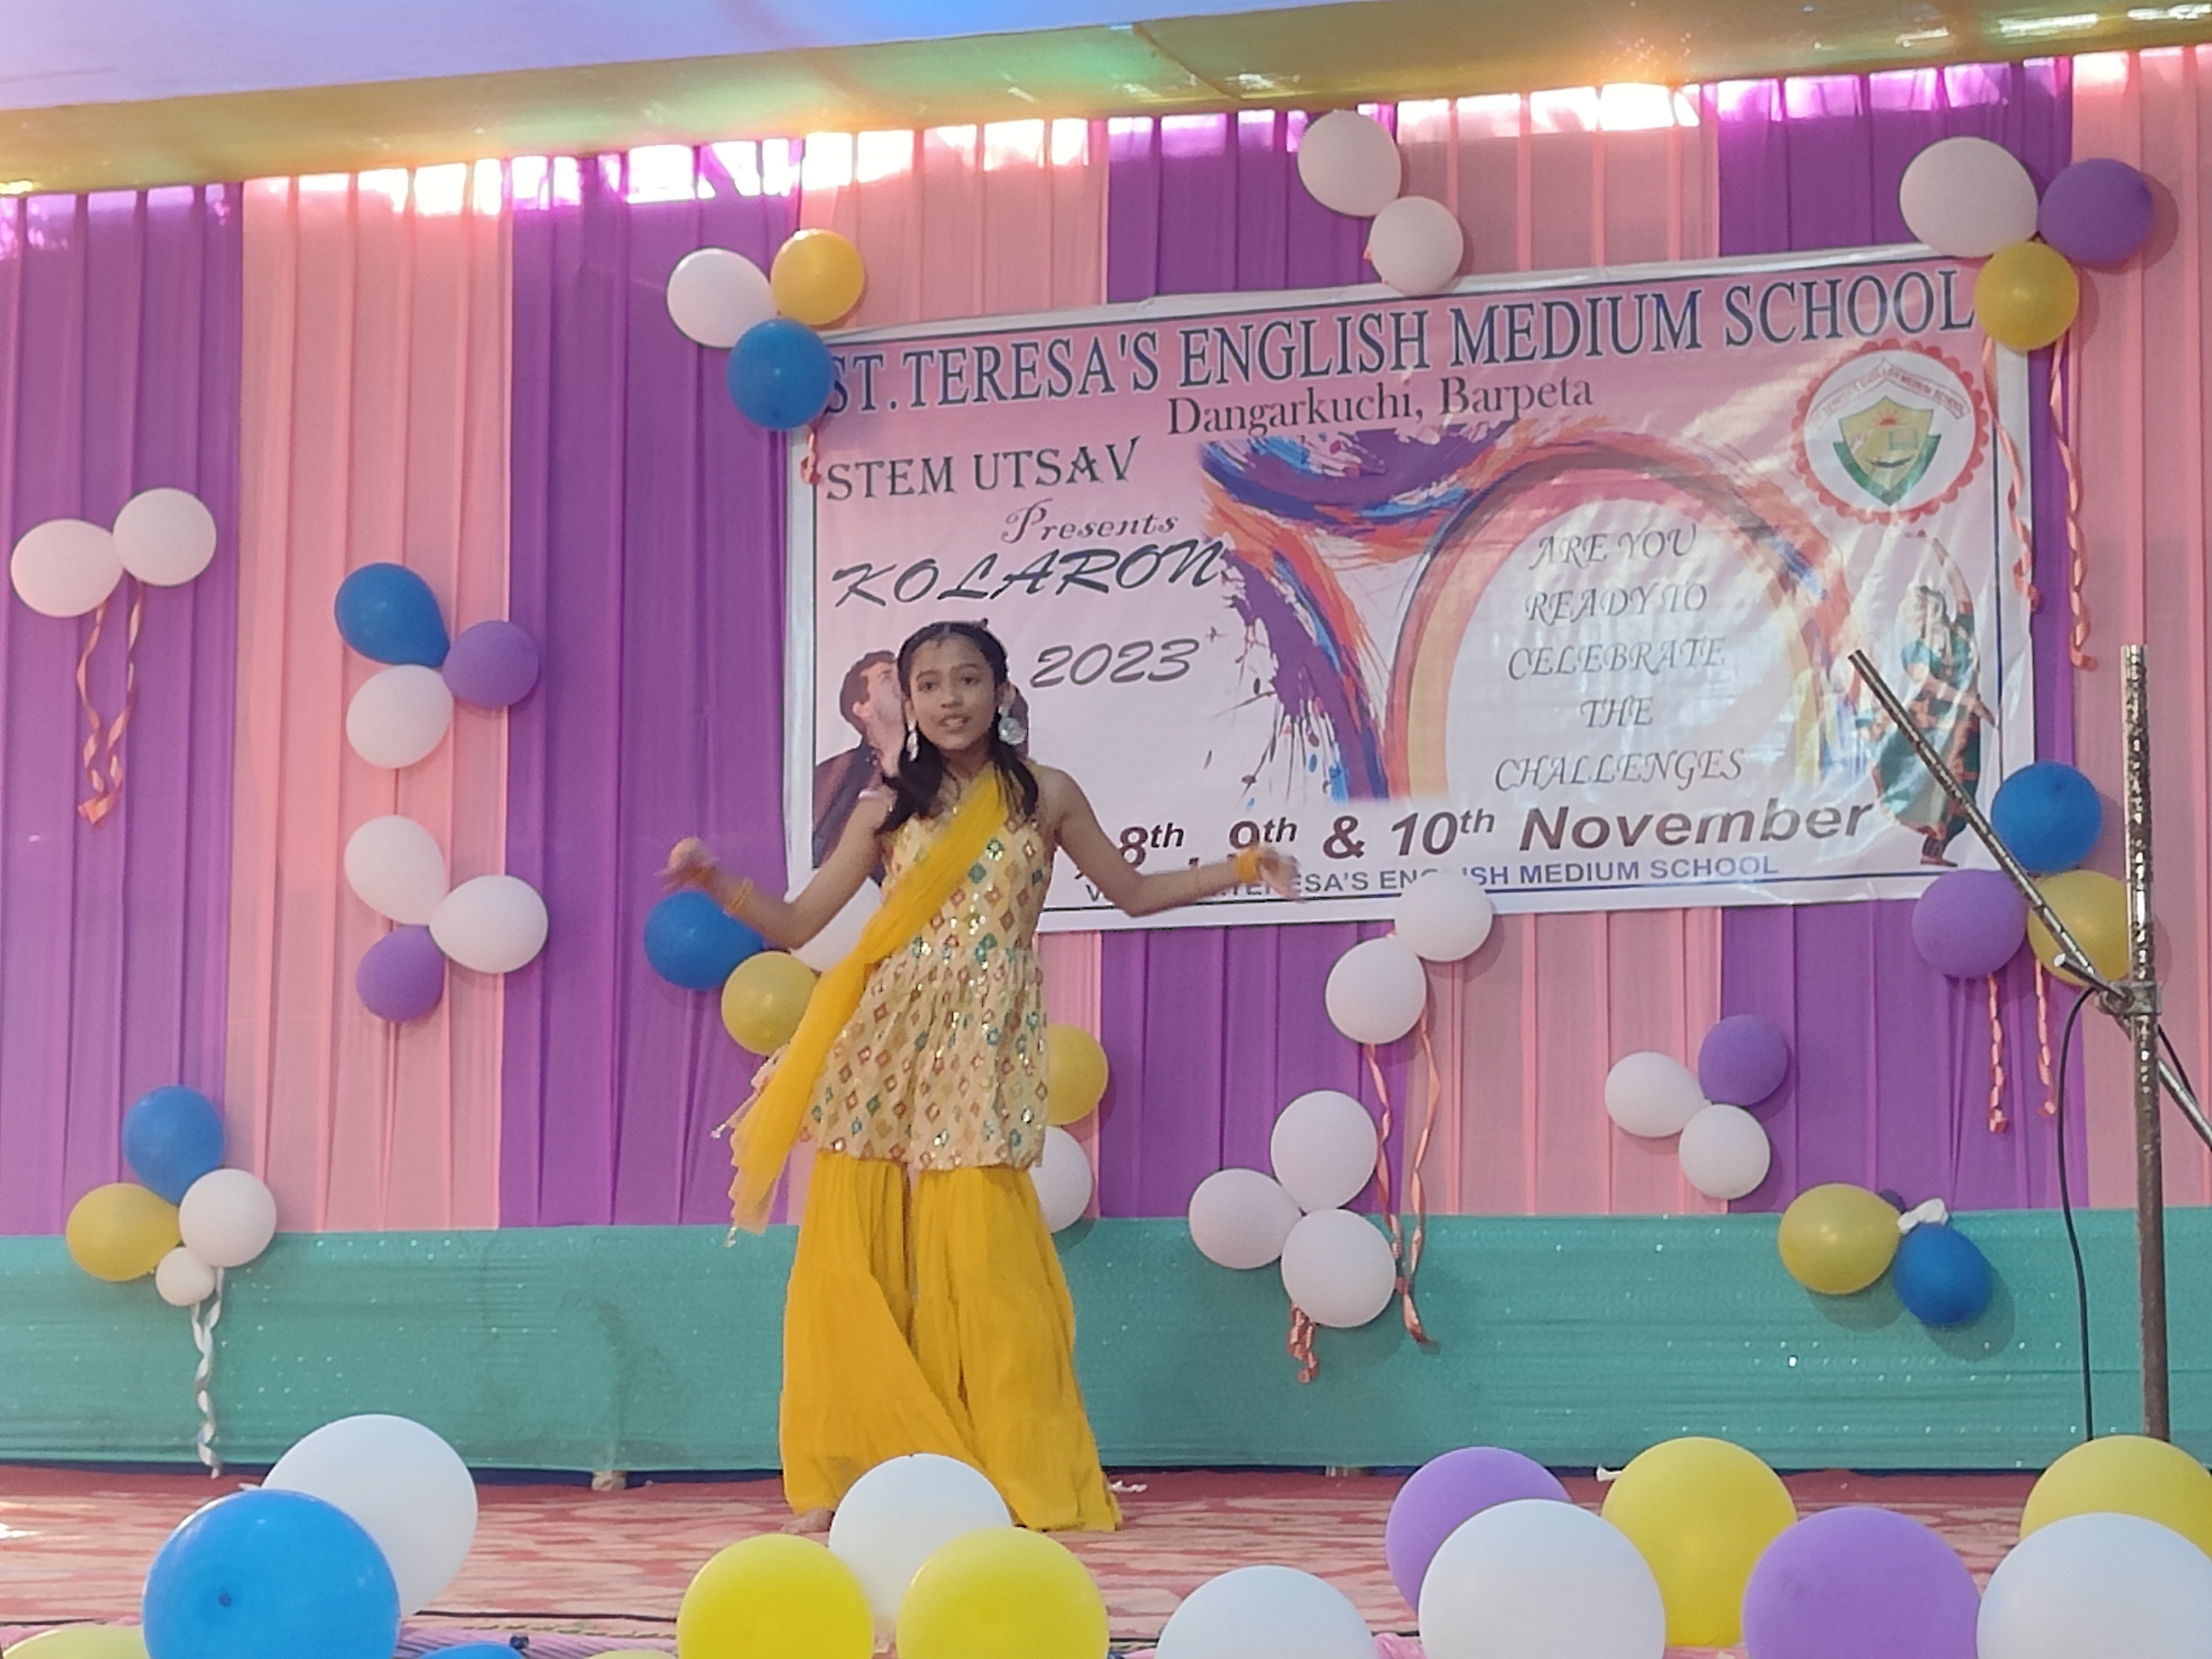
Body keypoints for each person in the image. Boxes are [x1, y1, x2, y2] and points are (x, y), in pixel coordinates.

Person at [665, 619, 1295, 1534]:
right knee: (851, 1257)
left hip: (986, 1042)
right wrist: (715, 881)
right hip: (885, 1039)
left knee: (989, 1270)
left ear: (1000, 692)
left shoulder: (1047, 794)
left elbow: (1132, 894)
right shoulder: (885, 807)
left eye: (967, 680)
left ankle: (1003, 1477)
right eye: (928, 684)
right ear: (908, 701)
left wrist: (1238, 869)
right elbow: (798, 924)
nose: (949, 698)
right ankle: (853, 1477)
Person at [811, 650, 902, 868]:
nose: (901, 681)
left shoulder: (929, 764)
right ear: (863, 709)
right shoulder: (827, 774)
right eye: (887, 677)